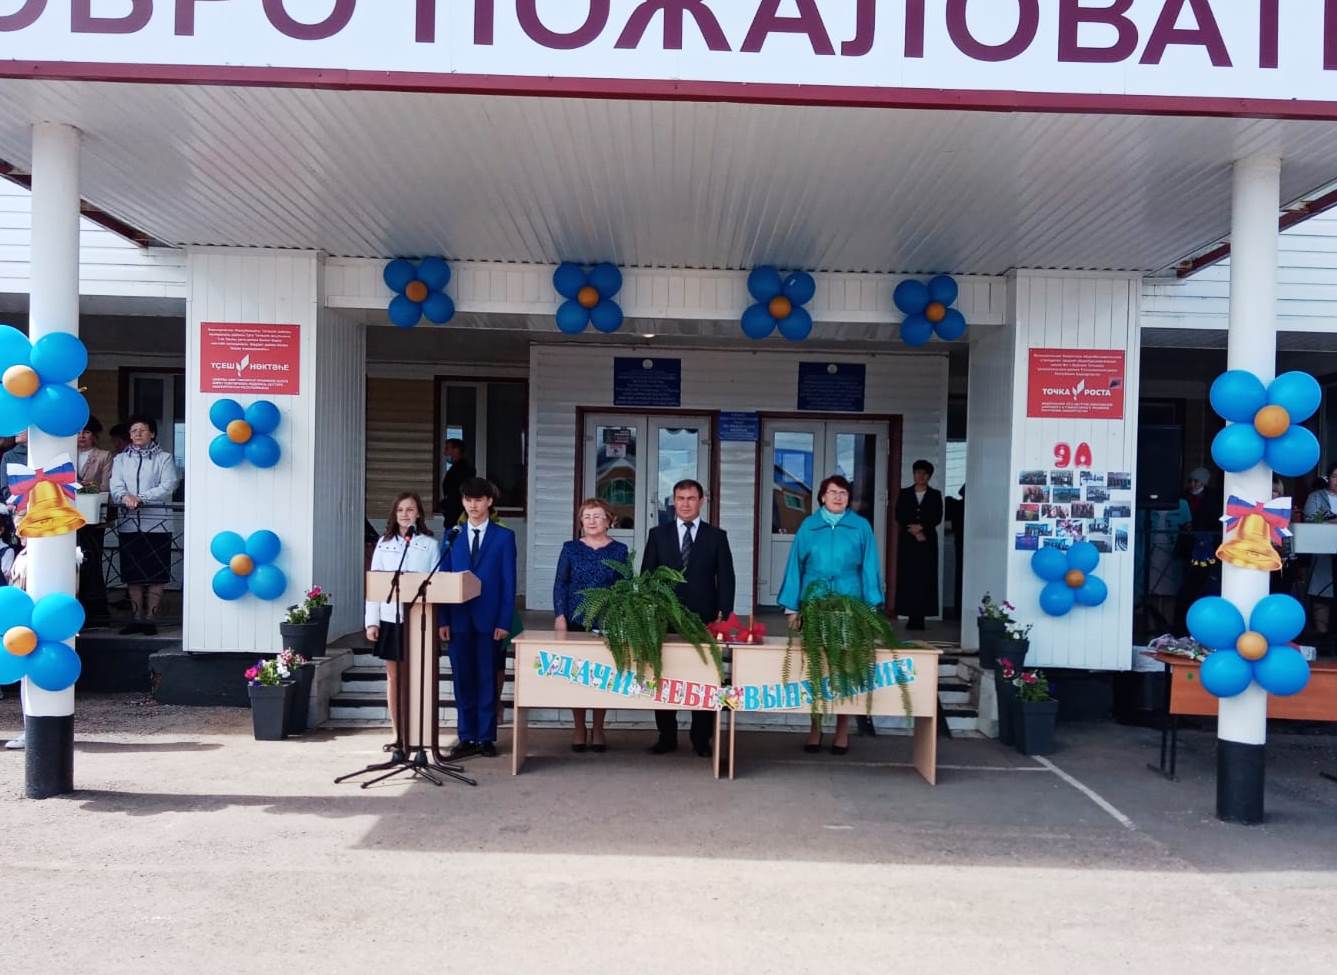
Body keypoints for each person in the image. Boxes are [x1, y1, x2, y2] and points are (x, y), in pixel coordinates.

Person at [777, 474, 884, 756]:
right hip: (815, 603)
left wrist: (870, 607)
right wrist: (792, 607)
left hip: (850, 603)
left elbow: (870, 566)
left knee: (843, 668)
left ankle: (842, 731)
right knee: (817, 667)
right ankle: (815, 728)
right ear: (822, 497)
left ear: (849, 498)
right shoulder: (809, 526)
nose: (838, 497)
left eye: (843, 493)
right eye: (833, 492)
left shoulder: (860, 526)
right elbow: (795, 566)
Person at [641, 478, 735, 757]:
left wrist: (724, 613)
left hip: (704, 618)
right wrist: (648, 611)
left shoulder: (716, 536)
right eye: (680, 499)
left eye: (691, 498)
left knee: (703, 677)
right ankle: (666, 736)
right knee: (665, 676)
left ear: (701, 501)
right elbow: (647, 575)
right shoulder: (658, 535)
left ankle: (701, 738)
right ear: (673, 501)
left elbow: (726, 577)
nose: (685, 504)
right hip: (665, 618)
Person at [437, 478, 516, 760]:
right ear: (462, 502)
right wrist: (443, 620)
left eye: (479, 500)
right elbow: (442, 580)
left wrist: (504, 621)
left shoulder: (504, 537)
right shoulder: (452, 535)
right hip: (458, 619)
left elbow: (508, 582)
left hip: (489, 620)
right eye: (468, 500)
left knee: (486, 678)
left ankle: (485, 737)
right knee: (462, 679)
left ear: (489, 502)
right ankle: (466, 736)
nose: (473, 505)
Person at [553, 498, 629, 754]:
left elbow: (625, 587)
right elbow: (560, 583)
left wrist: (622, 617)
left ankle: (598, 728)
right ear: (580, 522)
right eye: (587, 517)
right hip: (575, 619)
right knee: (577, 675)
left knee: (601, 676)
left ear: (609, 521)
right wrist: (560, 615)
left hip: (606, 622)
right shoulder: (570, 548)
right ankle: (579, 728)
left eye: (598, 516)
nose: (592, 521)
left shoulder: (619, 550)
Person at [365, 493, 440, 747]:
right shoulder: (384, 544)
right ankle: (398, 733)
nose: (405, 515)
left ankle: (418, 732)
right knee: (394, 677)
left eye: (410, 509)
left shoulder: (430, 545)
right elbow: (374, 584)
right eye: (400, 510)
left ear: (419, 513)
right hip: (390, 617)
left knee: (416, 676)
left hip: (419, 619)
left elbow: (438, 584)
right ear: (394, 514)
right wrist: (372, 621)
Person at [109, 416, 180, 634]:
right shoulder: (121, 459)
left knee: (156, 573)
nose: (137, 434)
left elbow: (169, 484)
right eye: (133, 431)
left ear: (153, 433)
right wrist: (125, 497)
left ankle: (151, 619)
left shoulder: (164, 458)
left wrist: (141, 498)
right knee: (133, 574)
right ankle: (137, 617)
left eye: (142, 430)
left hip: (157, 524)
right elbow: (116, 484)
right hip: (129, 523)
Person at [894, 460, 943, 631]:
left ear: (929, 476)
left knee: (924, 577)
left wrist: (922, 528)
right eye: (918, 473)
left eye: (924, 474)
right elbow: (899, 514)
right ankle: (909, 614)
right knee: (908, 576)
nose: (921, 476)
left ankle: (921, 616)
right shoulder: (904, 493)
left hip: (927, 541)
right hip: (908, 540)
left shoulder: (935, 494)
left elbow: (937, 516)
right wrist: (913, 530)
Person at [76, 416, 114, 625]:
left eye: (87, 432)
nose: (82, 436)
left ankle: (96, 610)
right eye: (78, 432)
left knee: (92, 560)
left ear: (95, 435)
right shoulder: (65, 453)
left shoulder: (104, 456)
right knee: (72, 562)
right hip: (69, 518)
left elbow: (106, 486)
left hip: (93, 517)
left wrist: (89, 488)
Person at [437, 439, 475, 528]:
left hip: (457, 515)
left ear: (456, 450)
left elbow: (456, 492)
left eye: (447, 449)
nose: (444, 453)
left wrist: (445, 504)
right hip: (454, 514)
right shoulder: (456, 468)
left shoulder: (463, 469)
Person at [0, 430, 28, 505]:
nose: (17, 431)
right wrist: (18, 505)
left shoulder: (46, 452)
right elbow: (5, 488)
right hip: (20, 507)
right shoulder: (8, 456)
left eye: (23, 428)